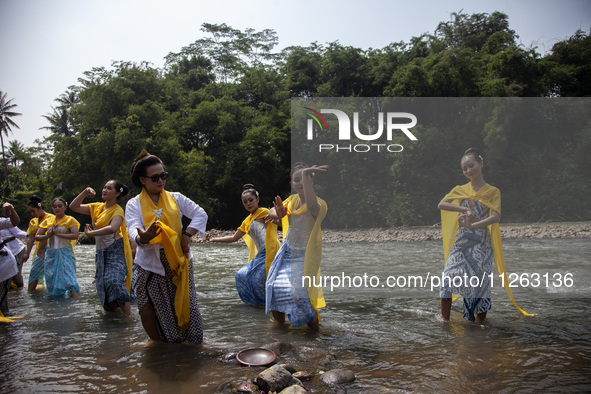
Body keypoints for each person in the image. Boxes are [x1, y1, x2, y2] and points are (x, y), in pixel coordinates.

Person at [438, 147, 533, 323]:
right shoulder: (460, 189)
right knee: (448, 277)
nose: (468, 170)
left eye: (471, 165)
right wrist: (464, 208)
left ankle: (480, 324)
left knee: (480, 283)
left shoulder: (493, 191)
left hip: (481, 242)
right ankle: (444, 320)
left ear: (481, 163)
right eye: (464, 168)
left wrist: (473, 225)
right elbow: (442, 204)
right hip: (461, 241)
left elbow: (495, 217)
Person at [125, 150, 207, 344]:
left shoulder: (176, 198)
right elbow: (132, 229)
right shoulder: (134, 204)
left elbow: (200, 214)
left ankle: (192, 344)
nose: (161, 181)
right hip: (150, 263)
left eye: (163, 176)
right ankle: (162, 347)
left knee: (185, 303)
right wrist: (143, 237)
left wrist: (187, 235)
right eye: (155, 178)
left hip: (178, 259)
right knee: (147, 309)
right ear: (142, 180)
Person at [265, 163, 328, 331]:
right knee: (272, 286)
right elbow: (271, 212)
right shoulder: (290, 202)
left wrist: (306, 172)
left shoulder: (319, 204)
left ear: (312, 181)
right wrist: (278, 213)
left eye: (305, 179)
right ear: (291, 184)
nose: (301, 183)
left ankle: (315, 331)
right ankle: (280, 325)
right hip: (286, 252)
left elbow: (312, 206)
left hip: (304, 255)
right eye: (297, 180)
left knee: (299, 293)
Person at [207, 184, 280, 306]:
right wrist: (213, 239)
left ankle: (270, 304)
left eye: (251, 200)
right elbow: (233, 238)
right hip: (261, 255)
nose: (248, 204)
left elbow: (278, 220)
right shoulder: (246, 221)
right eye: (245, 202)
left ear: (257, 199)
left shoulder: (263, 212)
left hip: (272, 250)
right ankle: (260, 304)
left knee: (257, 280)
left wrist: (277, 215)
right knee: (240, 276)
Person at [70, 181, 133, 316]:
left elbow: (113, 228)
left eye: (109, 188)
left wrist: (91, 233)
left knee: (115, 281)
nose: (104, 190)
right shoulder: (96, 207)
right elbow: (73, 206)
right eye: (104, 187)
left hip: (115, 249)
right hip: (100, 252)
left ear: (117, 193)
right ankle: (115, 315)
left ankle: (128, 318)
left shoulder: (117, 210)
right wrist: (85, 191)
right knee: (103, 285)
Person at [35, 197, 80, 298]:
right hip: (51, 253)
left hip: (65, 252)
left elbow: (75, 235)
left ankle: (76, 304)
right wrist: (47, 236)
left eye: (60, 206)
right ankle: (57, 306)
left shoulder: (70, 220)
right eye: (54, 207)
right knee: (51, 279)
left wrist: (58, 234)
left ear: (65, 207)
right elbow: (37, 236)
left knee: (69, 279)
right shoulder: (48, 220)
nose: (57, 208)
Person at [24, 195, 54, 292]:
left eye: (33, 211)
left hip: (51, 249)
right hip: (39, 250)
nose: (32, 214)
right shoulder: (33, 221)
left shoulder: (51, 218)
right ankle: (31, 293)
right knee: (34, 272)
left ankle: (52, 295)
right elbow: (31, 238)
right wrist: (27, 253)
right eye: (30, 212)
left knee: (51, 273)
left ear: (40, 207)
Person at [0, 202, 21, 322]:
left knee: (2, 299)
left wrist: (11, 210)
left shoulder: (0, 222)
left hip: (4, 263)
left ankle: (8, 328)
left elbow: (14, 222)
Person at [1, 222, 27, 288]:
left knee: (16, 274)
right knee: (5, 276)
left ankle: (20, 294)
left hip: (17, 250)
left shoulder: (4, 222)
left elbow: (18, 233)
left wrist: (31, 235)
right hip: (4, 254)